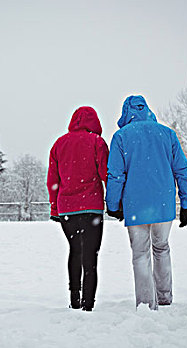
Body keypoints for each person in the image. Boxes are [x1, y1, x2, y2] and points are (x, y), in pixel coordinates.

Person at [105, 95, 187, 311]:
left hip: (136, 206)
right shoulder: (167, 134)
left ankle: (146, 302)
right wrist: (186, 203)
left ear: (126, 113)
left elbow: (115, 175)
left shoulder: (121, 137)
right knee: (161, 248)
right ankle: (164, 297)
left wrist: (113, 205)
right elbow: (181, 170)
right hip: (163, 204)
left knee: (140, 253)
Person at [47, 106, 109, 312]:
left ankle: (74, 297)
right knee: (90, 254)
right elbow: (106, 174)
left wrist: (55, 208)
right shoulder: (97, 143)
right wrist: (116, 202)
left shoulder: (59, 144)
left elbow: (53, 181)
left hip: (67, 209)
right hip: (91, 207)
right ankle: (88, 303)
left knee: (75, 251)